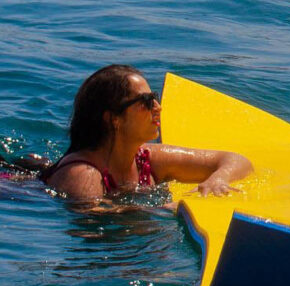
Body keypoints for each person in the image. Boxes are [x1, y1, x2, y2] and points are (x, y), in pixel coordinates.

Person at [39, 64, 252, 202]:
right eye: (146, 102)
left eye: (154, 98)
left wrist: (218, 179)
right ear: (113, 118)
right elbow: (92, 224)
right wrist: (161, 211)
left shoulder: (145, 158)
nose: (158, 107)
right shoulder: (83, 174)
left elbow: (237, 160)